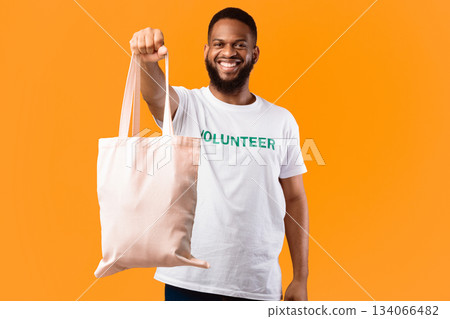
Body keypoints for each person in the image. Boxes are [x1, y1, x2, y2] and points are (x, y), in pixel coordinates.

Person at [129, 7, 309, 301]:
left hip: (258, 285)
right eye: (219, 44)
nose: (229, 52)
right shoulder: (187, 105)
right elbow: (155, 95)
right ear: (206, 51)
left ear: (254, 53)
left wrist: (300, 277)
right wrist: (147, 63)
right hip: (187, 280)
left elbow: (295, 198)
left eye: (240, 44)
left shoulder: (281, 120)